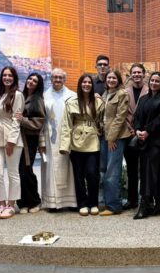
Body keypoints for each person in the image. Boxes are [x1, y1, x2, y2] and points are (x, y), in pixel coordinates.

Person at [59, 74, 105, 216]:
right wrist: (64, 146)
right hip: (76, 141)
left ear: (92, 85)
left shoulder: (98, 102)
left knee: (92, 174)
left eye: (89, 82)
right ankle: (82, 204)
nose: (87, 84)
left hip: (93, 140)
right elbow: (66, 125)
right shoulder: (72, 102)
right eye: (84, 82)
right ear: (80, 85)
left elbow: (103, 120)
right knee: (78, 175)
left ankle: (93, 203)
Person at [134, 71, 160, 219]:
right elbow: (137, 116)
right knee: (148, 171)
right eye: (152, 80)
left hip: (159, 141)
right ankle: (158, 203)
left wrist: (148, 131)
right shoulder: (143, 98)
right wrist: (138, 130)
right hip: (144, 140)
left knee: (151, 171)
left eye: (157, 81)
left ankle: (145, 202)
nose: (154, 83)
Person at [0, 66, 24, 219]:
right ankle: (1, 204)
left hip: (12, 138)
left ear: (14, 78)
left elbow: (16, 119)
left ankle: (11, 205)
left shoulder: (17, 95)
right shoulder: (0, 95)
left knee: (12, 173)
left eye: (10, 75)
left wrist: (11, 141)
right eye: (4, 75)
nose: (7, 78)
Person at [38, 69, 77, 211]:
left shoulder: (72, 96)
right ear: (51, 79)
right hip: (50, 139)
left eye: (60, 77)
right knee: (51, 169)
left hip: (69, 138)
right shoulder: (44, 96)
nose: (58, 80)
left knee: (70, 168)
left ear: (65, 79)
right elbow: (41, 121)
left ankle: (71, 202)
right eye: (55, 77)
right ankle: (53, 203)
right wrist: (41, 142)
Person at [99, 70, 129, 216]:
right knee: (104, 169)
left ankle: (113, 206)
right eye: (109, 77)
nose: (111, 80)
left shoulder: (122, 94)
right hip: (103, 136)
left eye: (114, 78)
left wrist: (111, 138)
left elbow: (120, 117)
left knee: (112, 171)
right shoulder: (105, 94)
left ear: (118, 80)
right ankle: (106, 202)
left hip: (115, 138)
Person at [15, 72, 45, 214]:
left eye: (35, 81)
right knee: (18, 171)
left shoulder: (37, 100)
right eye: (30, 79)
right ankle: (22, 203)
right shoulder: (20, 96)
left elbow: (39, 122)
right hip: (17, 138)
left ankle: (34, 201)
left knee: (26, 170)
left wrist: (23, 120)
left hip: (29, 139)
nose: (31, 81)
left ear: (38, 85)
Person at [123, 63, 149, 210]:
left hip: (145, 135)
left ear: (144, 74)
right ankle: (131, 199)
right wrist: (131, 129)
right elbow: (121, 113)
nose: (137, 75)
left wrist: (142, 130)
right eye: (134, 72)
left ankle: (144, 199)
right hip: (129, 135)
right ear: (131, 75)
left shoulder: (150, 90)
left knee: (145, 169)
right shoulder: (125, 92)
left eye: (139, 72)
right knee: (131, 170)